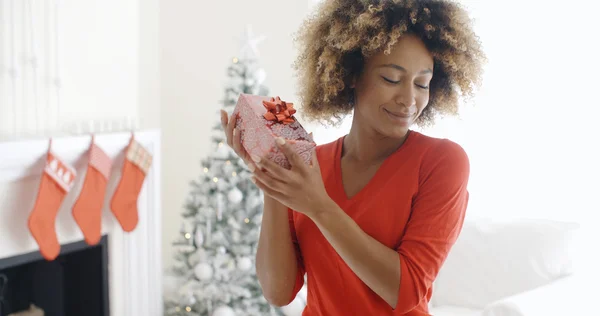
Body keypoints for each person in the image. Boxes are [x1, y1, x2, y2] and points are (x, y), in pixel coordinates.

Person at [221, 0, 486, 314]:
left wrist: (318, 205)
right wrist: (275, 180)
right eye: (391, 79)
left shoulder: (442, 162)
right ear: (351, 75)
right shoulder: (310, 166)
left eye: (421, 84)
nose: (408, 100)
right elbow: (278, 292)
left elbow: (406, 291)